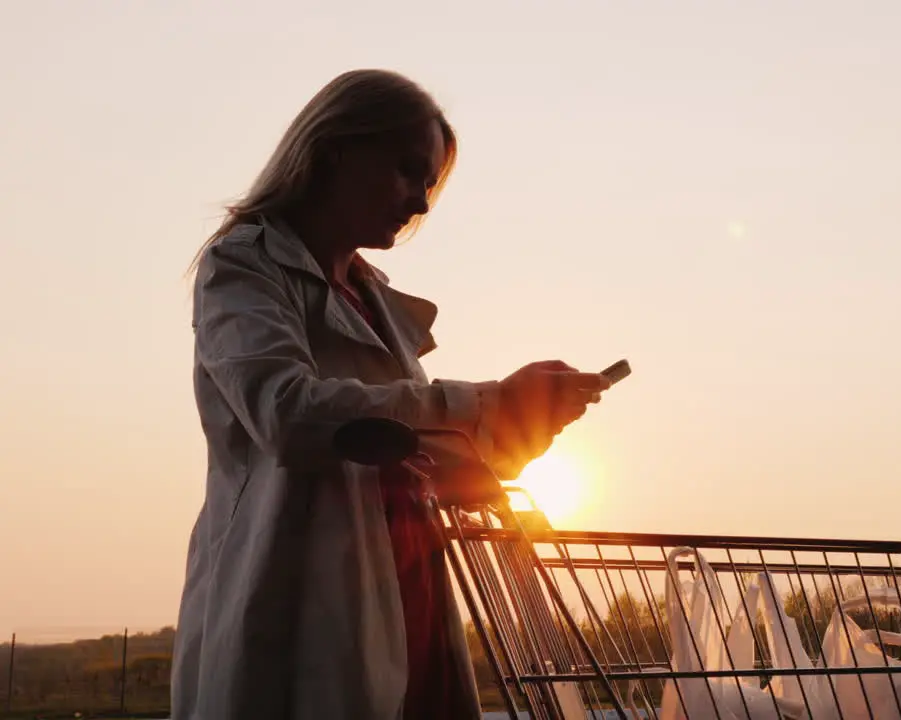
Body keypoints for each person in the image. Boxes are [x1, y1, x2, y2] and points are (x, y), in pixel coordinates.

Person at [170, 69, 610, 720]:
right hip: (299, 601)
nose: (421, 203)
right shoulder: (243, 266)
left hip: (409, 599)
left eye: (429, 183)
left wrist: (524, 422)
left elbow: (416, 456)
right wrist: (485, 404)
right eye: (408, 172)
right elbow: (288, 413)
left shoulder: (374, 298)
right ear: (335, 149)